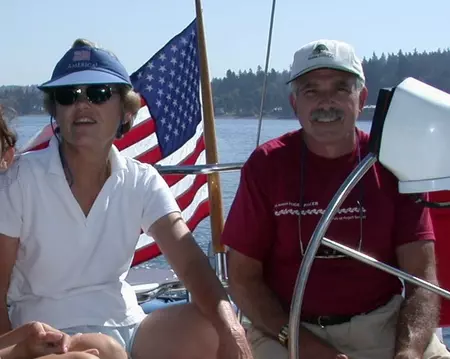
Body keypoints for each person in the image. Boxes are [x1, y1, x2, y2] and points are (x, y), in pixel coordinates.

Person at [0, 39, 252, 359]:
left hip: (129, 328)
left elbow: (190, 263)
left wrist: (231, 329)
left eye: (99, 93)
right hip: (51, 337)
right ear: (55, 111)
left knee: (212, 328)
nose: (82, 104)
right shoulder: (20, 181)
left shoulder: (141, 180)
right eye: (68, 96)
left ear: (126, 111)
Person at [221, 39, 450, 359]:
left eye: (341, 88)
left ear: (362, 99)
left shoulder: (394, 163)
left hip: (383, 324)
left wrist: (408, 352)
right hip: (286, 329)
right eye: (311, 90)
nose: (326, 102)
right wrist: (303, 344)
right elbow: (243, 279)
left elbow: (422, 277)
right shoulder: (266, 166)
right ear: (294, 103)